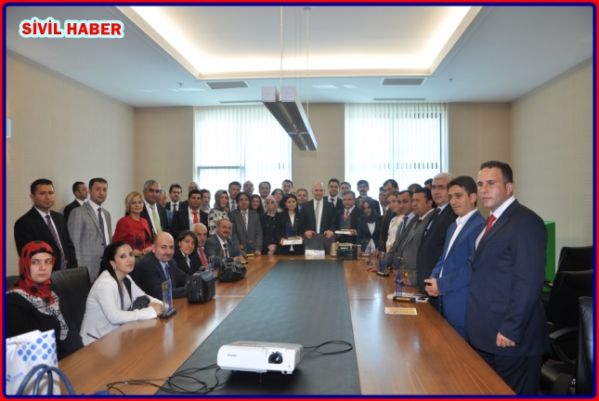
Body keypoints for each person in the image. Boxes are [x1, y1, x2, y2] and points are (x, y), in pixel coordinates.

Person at [465, 161, 548, 395]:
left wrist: (511, 329)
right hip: (486, 334)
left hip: (511, 338)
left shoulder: (526, 222)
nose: (483, 190)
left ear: (509, 187)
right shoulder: (492, 221)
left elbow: (529, 282)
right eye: (480, 184)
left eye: (491, 183)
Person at [424, 176, 485, 338]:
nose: (453, 201)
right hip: (444, 298)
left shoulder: (480, 226)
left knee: (459, 350)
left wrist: (441, 284)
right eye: (450, 197)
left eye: (458, 196)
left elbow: (471, 267)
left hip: (462, 302)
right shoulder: (453, 226)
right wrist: (432, 279)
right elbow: (443, 258)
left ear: (473, 197)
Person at [6, 241, 83, 359]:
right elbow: (29, 351)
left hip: (73, 358)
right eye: (35, 262)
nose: (43, 268)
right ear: (25, 264)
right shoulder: (12, 301)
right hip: (44, 365)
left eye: (48, 262)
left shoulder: (53, 293)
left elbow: (71, 330)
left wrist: (81, 355)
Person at [80, 241, 163, 345]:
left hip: (116, 337)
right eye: (123, 256)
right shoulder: (105, 283)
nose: (129, 259)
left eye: (131, 254)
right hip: (95, 342)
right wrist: (150, 312)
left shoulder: (126, 278)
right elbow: (114, 317)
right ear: (112, 263)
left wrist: (164, 305)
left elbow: (144, 296)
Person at [14, 179, 77, 270]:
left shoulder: (59, 218)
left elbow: (69, 245)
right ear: (32, 197)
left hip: (67, 273)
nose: (47, 197)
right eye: (42, 193)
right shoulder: (23, 223)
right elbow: (29, 256)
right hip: (44, 274)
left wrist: (73, 269)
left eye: (51, 193)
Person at [416, 172, 457, 294]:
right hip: (426, 281)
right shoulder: (436, 212)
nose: (436, 191)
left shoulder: (454, 214)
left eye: (441, 187)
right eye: (434, 187)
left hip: (438, 284)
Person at [68, 177, 112, 282]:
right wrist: (79, 269)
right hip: (87, 268)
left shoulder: (106, 214)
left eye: (104, 190)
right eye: (98, 189)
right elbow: (74, 244)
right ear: (89, 191)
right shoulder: (78, 212)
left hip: (107, 266)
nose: (101, 193)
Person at [393, 187, 434, 285]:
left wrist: (414, 278)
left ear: (429, 203)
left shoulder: (432, 220)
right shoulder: (418, 219)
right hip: (406, 275)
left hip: (417, 278)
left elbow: (429, 255)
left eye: (418, 201)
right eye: (413, 200)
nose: (414, 204)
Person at [132, 232, 190, 300]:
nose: (168, 252)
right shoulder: (147, 265)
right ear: (153, 248)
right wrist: (190, 289)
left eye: (171, 247)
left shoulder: (170, 261)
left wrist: (195, 282)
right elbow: (162, 293)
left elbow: (183, 277)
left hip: (169, 304)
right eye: (163, 247)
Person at [112, 191, 153, 257]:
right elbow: (115, 244)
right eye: (133, 203)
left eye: (140, 202)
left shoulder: (145, 221)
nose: (137, 205)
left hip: (145, 257)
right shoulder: (123, 222)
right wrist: (130, 251)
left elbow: (147, 241)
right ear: (128, 206)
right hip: (130, 258)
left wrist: (150, 248)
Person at [301, 182, 336, 253]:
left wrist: (331, 230)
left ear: (324, 191)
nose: (318, 193)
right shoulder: (305, 206)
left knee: (327, 259)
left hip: (326, 237)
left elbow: (334, 222)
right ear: (312, 191)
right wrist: (305, 231)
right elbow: (301, 222)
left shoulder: (330, 206)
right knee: (310, 259)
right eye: (316, 190)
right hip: (309, 237)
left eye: (321, 190)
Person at [378, 179, 399, 251]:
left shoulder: (403, 214)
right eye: (385, 190)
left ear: (397, 188)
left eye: (389, 189)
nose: (387, 193)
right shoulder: (389, 208)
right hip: (386, 248)